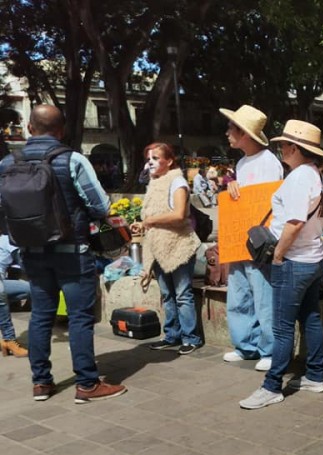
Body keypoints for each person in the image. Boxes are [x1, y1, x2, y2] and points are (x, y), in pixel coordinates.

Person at [0, 104, 126, 403]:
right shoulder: (72, 159)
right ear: (62, 130)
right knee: (79, 317)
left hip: (31, 251)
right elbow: (100, 206)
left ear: (30, 128)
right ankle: (87, 384)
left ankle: (41, 383)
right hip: (72, 251)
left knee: (40, 315)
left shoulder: (7, 163)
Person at [239, 120, 323, 410]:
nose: (280, 149)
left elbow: (293, 222)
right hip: (313, 258)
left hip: (293, 261)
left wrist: (278, 255)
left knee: (282, 328)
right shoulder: (317, 176)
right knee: (311, 317)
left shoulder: (300, 177)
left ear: (294, 147)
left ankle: (272, 385)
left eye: (283, 144)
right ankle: (315, 375)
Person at [219, 105, 284, 371]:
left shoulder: (270, 163)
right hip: (239, 240)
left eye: (232, 128)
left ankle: (268, 349)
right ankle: (245, 345)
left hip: (259, 241)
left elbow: (268, 202)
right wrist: (232, 186)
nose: (227, 133)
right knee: (239, 294)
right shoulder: (242, 163)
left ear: (245, 134)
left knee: (263, 296)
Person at [132, 142, 203, 355]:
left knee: (182, 294)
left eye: (155, 158)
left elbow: (179, 214)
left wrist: (149, 221)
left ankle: (191, 338)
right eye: (148, 159)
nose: (150, 163)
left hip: (179, 246)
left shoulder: (177, 182)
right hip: (159, 248)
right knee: (167, 294)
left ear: (169, 161)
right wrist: (145, 223)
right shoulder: (154, 183)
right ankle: (172, 335)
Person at [0, 233, 30, 357]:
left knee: (30, 289)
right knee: (1, 294)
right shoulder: (6, 239)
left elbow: (22, 262)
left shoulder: (5, 240)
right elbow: (23, 263)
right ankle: (9, 340)